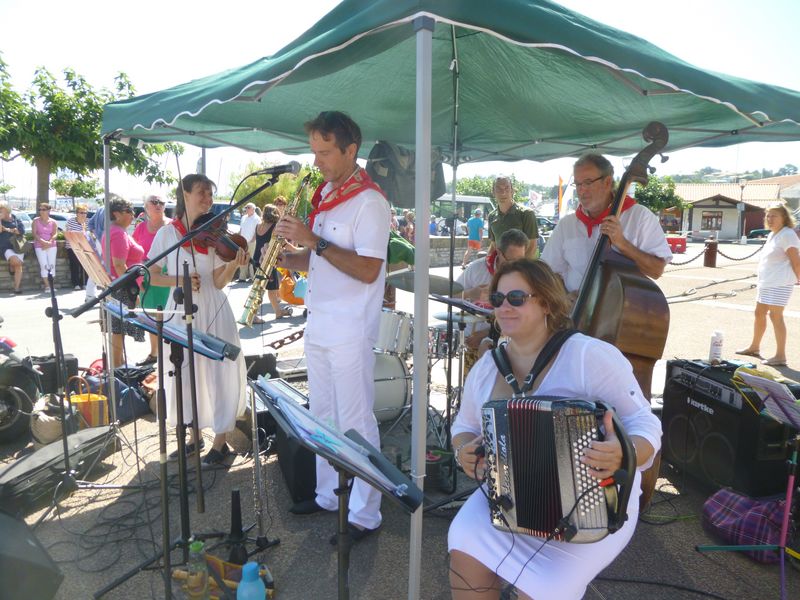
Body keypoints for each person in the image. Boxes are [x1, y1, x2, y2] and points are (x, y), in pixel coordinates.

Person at [448, 259, 661, 600]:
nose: (505, 307)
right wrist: (464, 452)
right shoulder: (488, 367)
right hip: (509, 498)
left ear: (546, 303)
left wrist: (624, 451)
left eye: (517, 298)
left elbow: (645, 422)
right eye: (498, 298)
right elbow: (464, 426)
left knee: (545, 587)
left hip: (590, 504)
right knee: (464, 540)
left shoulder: (587, 355)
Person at [275, 111, 390, 541]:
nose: (316, 161)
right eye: (314, 151)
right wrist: (290, 258)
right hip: (320, 322)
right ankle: (328, 495)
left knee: (356, 420)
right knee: (321, 414)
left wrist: (313, 240)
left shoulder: (370, 202)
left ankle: (365, 513)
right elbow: (323, 258)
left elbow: (367, 269)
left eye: (325, 152)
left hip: (350, 328)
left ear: (350, 150)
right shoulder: (326, 194)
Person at [148, 174, 248, 466]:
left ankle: (220, 442)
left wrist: (232, 264)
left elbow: (217, 282)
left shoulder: (214, 233)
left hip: (213, 308)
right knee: (184, 374)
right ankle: (194, 437)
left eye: (210, 194)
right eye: (202, 192)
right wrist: (178, 280)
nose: (208, 199)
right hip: (180, 308)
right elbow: (151, 274)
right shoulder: (167, 234)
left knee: (218, 374)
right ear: (185, 194)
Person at [541, 153, 672, 295]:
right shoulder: (566, 225)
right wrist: (564, 298)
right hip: (575, 307)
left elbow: (656, 271)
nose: (581, 190)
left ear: (607, 182)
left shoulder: (640, 217)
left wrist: (623, 244)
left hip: (623, 307)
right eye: (578, 184)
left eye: (588, 182)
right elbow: (549, 273)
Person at [736, 204, 800, 367]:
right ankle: (754, 347)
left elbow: (796, 261)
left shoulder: (787, 234)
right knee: (759, 313)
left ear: (784, 217)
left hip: (780, 283)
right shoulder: (773, 234)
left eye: (774, 216)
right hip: (767, 282)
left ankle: (780, 356)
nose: (770, 219)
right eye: (768, 216)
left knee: (775, 316)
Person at [457, 228, 529, 364]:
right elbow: (451, 293)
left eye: (520, 260)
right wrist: (470, 293)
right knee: (475, 377)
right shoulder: (477, 268)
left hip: (508, 346)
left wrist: (487, 333)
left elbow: (526, 317)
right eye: (511, 260)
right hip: (472, 341)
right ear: (499, 252)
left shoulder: (524, 276)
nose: (516, 265)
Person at [100, 197, 146, 366]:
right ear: (116, 214)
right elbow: (119, 265)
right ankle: (117, 367)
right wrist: (132, 290)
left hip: (116, 286)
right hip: (122, 288)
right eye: (128, 211)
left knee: (118, 330)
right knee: (119, 330)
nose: (132, 215)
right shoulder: (118, 233)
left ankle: (119, 364)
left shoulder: (114, 231)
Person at [132, 195, 171, 366]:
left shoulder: (171, 226)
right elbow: (133, 253)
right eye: (154, 202)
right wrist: (138, 277)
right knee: (151, 316)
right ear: (146, 207)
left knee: (169, 316)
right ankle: (155, 353)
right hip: (146, 277)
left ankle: (168, 355)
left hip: (168, 277)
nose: (158, 205)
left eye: (161, 202)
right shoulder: (141, 228)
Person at [253, 204, 291, 321]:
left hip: (256, 258)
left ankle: (277, 311)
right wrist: (294, 250)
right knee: (270, 289)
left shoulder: (258, 226)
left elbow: (255, 240)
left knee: (260, 287)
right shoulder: (274, 226)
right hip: (267, 259)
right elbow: (282, 242)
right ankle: (253, 316)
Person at [487, 177, 538, 259]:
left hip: (522, 265)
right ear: (493, 192)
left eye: (507, 188)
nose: (503, 192)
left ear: (512, 191)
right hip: (501, 265)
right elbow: (493, 246)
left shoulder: (526, 214)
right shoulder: (491, 216)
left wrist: (519, 266)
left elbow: (532, 247)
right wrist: (486, 262)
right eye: (499, 189)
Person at [32, 203, 59, 291]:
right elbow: (34, 233)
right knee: (44, 265)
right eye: (40, 210)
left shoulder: (53, 222)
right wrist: (43, 242)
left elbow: (55, 234)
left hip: (51, 246)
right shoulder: (36, 221)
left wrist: (49, 242)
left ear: (48, 211)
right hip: (39, 246)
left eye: (43, 209)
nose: (41, 211)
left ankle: (52, 285)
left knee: (52, 265)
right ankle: (47, 286)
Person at [0, 203, 24, 295]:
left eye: (1, 209)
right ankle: (11, 263)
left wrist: (7, 229)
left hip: (18, 246)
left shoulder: (16, 219)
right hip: (5, 247)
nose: (0, 211)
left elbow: (21, 231)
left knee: (18, 265)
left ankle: (16, 288)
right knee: (17, 262)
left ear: (7, 210)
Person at [65, 204, 90, 290]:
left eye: (85, 213)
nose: (83, 214)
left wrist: (84, 230)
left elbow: (90, 235)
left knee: (85, 266)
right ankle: (76, 283)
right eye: (81, 213)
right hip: (72, 246)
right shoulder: (70, 221)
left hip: (84, 247)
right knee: (74, 265)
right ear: (77, 213)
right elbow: (68, 234)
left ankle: (84, 283)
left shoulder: (88, 222)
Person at [238, 202, 260, 282]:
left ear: (253, 209)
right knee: (242, 259)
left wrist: (253, 240)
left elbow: (257, 231)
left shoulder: (257, 218)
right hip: (243, 242)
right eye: (246, 207)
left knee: (251, 260)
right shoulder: (243, 217)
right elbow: (241, 229)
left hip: (252, 242)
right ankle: (242, 277)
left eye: (248, 207)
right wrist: (239, 238)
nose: (246, 209)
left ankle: (252, 277)